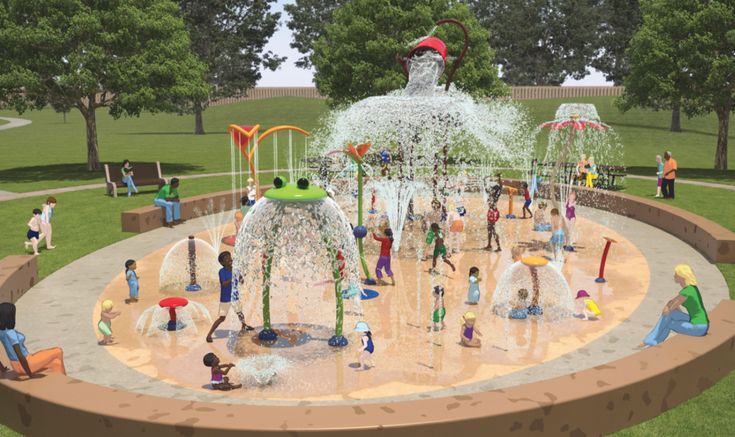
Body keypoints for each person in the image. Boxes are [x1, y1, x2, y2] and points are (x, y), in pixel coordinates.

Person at [641, 264, 709, 347]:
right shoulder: (691, 288)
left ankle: (651, 341)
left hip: (698, 328)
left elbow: (671, 305)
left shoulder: (686, 292)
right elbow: (672, 303)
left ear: (682, 277)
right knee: (671, 314)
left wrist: (668, 308)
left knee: (668, 322)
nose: (674, 276)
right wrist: (669, 307)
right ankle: (652, 341)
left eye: (676, 275)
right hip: (697, 321)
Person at [0, 302, 66, 377]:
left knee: (56, 363)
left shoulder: (1, 332)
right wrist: (30, 375)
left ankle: (64, 385)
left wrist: (2, 369)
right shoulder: (11, 333)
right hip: (26, 363)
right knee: (58, 351)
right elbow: (20, 355)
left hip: (15, 365)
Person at [206, 251, 254, 343]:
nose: (229, 259)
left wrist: (241, 275)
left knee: (239, 312)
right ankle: (209, 335)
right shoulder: (222, 272)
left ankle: (244, 325)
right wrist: (233, 276)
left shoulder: (235, 269)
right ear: (222, 263)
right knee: (222, 318)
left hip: (234, 297)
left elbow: (241, 281)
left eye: (229, 257)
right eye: (226, 259)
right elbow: (224, 284)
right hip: (225, 299)